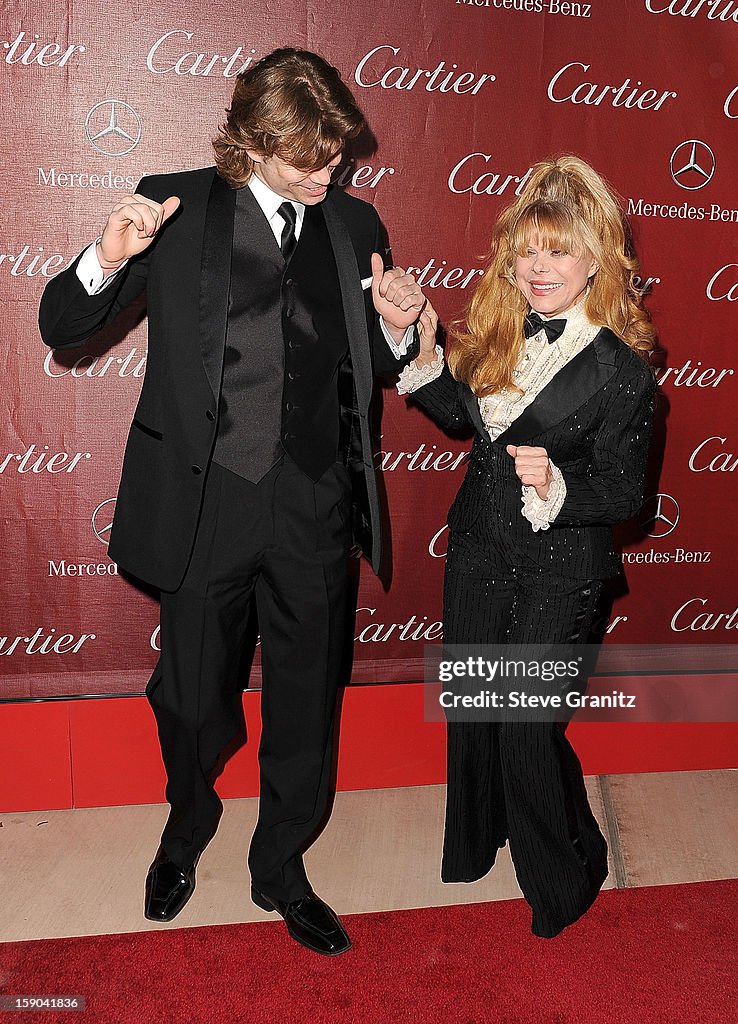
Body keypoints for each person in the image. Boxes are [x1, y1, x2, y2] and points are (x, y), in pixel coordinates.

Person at [39, 47, 425, 956]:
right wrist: (105, 254)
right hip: (205, 501)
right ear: (253, 142)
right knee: (191, 698)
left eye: (338, 154)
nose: (332, 171)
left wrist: (403, 335)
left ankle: (282, 868)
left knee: (306, 701)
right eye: (312, 159)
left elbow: (382, 362)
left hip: (316, 506)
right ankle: (187, 826)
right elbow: (64, 327)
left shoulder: (357, 224)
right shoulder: (172, 205)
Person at [399, 155, 656, 937]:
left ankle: (566, 878)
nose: (541, 267)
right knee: (482, 708)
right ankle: (481, 845)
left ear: (596, 262)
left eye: (560, 251)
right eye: (529, 250)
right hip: (478, 546)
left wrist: (561, 485)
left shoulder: (622, 372)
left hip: (560, 565)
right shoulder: (500, 336)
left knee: (523, 724)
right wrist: (415, 335)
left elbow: (629, 495)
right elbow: (460, 415)